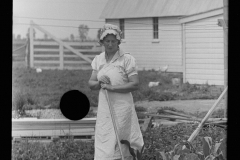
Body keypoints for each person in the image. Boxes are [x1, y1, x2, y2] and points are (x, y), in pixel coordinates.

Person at [88, 24, 144, 160]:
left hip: (122, 107)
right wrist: (100, 83)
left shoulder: (126, 59)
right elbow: (91, 84)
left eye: (114, 41)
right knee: (105, 137)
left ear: (119, 41)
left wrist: (112, 88)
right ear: (102, 42)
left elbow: (135, 84)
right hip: (105, 107)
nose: (110, 44)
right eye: (107, 41)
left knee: (122, 139)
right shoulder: (99, 60)